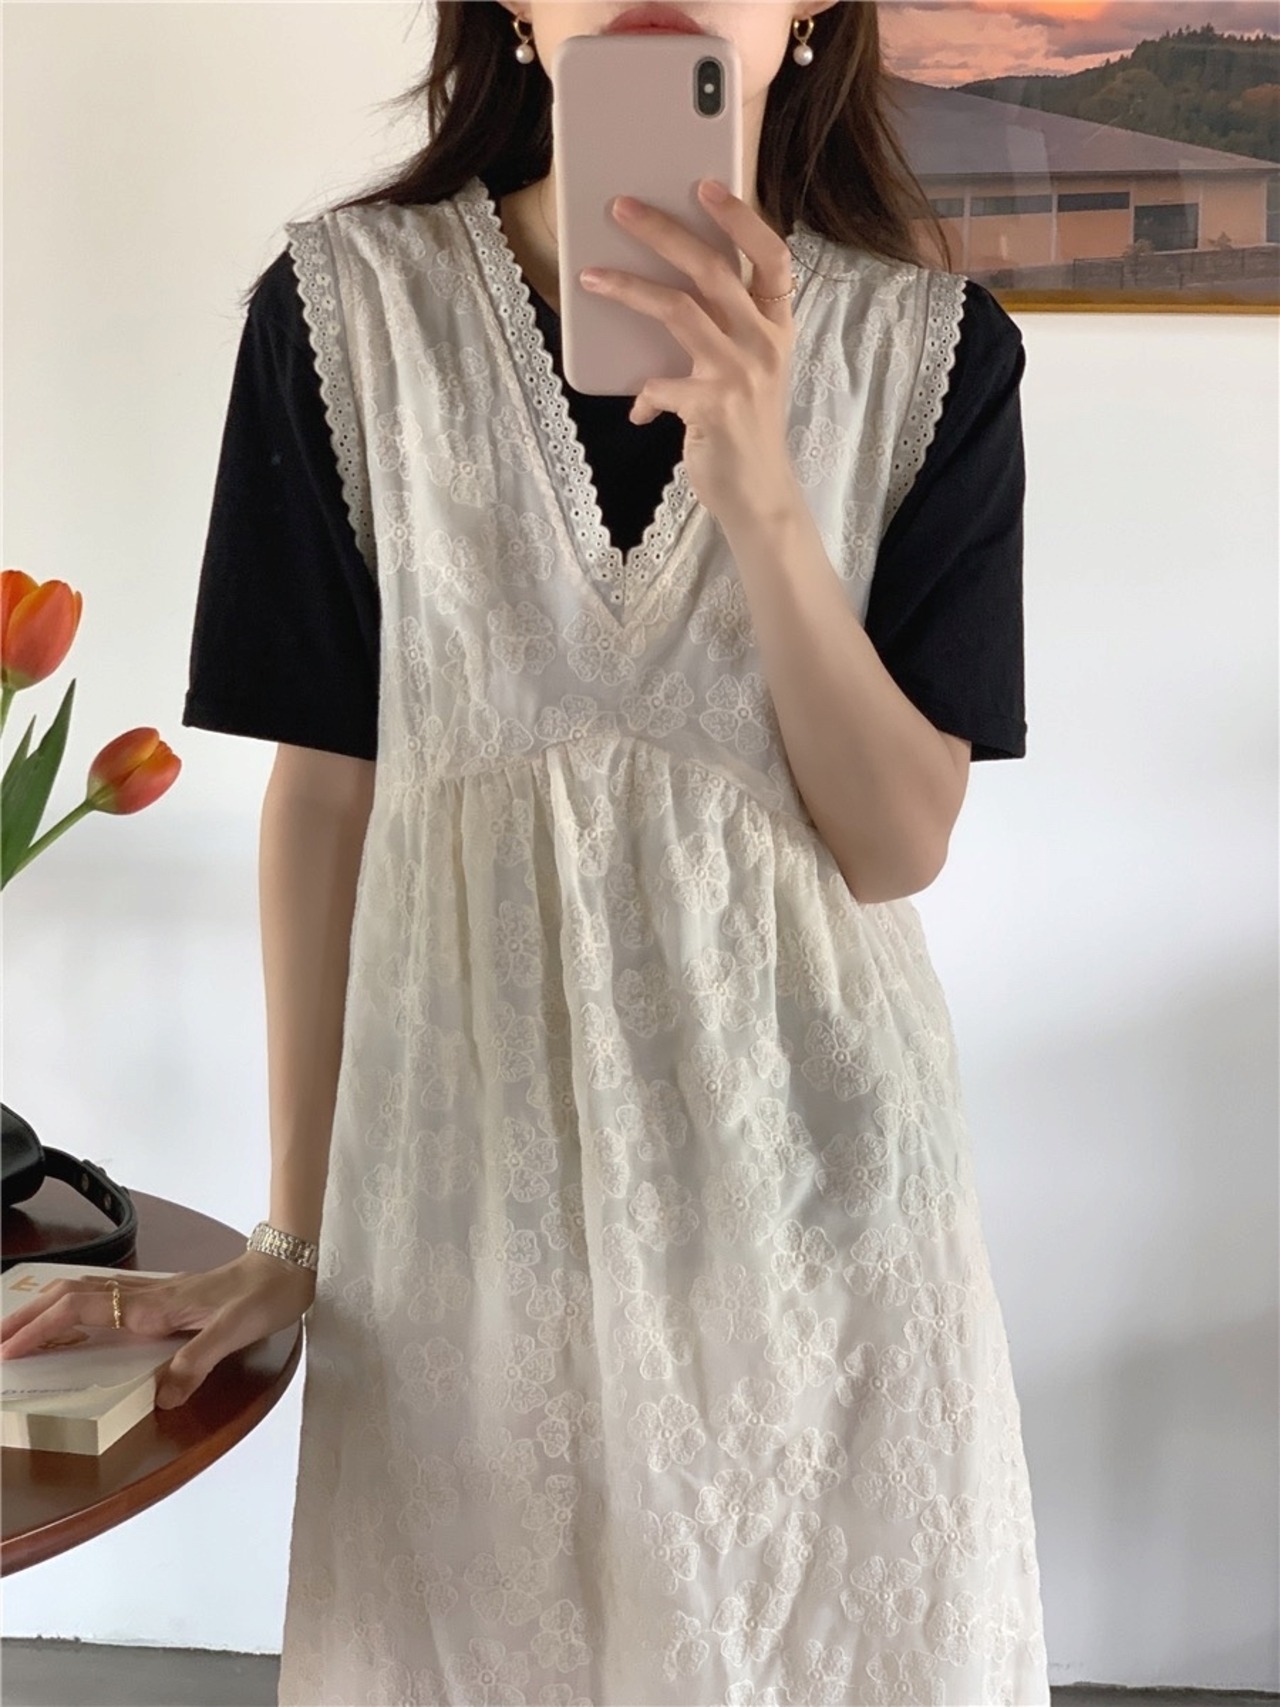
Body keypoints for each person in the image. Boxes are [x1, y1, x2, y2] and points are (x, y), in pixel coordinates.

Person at [1, 3, 1049, 1701]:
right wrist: (294, 1237)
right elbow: (325, 795)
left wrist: (761, 486)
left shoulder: (933, 357)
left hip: (820, 1219)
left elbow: (895, 842)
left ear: (813, 16)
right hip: (461, 1206)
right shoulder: (345, 319)